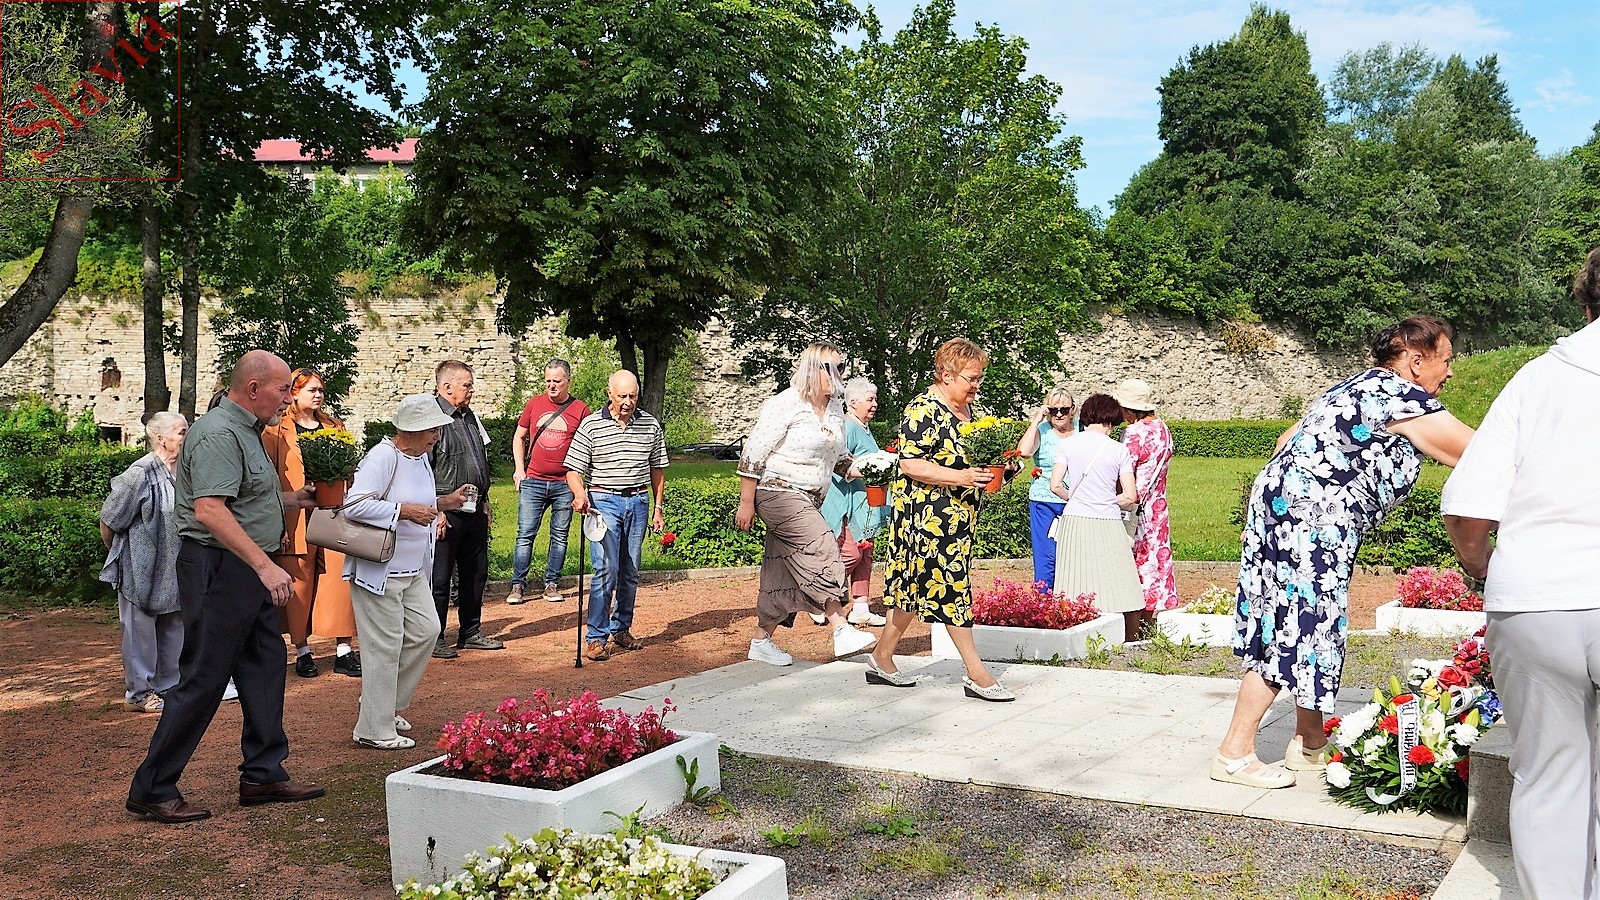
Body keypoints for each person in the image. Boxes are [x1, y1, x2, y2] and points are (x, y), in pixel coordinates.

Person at [1213, 316, 1474, 789]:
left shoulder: (1353, 387)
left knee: (1300, 621)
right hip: (1313, 522)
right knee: (1296, 625)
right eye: (1446, 360)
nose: (1450, 372)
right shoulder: (1402, 398)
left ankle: (1309, 741)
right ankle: (1234, 752)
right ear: (1416, 361)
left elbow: (1286, 440)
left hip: (1282, 510)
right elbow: (1479, 456)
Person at [1441, 247, 1600, 899]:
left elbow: (1467, 505)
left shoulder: (1539, 378)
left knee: (1551, 776)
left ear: (1586, 299)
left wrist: (1481, 562)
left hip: (1537, 600)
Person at [126, 350, 324, 824]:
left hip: (244, 567)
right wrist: (266, 567)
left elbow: (242, 498)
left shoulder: (247, 430)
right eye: (282, 389)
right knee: (204, 676)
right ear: (254, 389)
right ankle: (152, 787)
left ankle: (263, 774)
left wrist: (290, 499)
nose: (288, 398)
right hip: (223, 567)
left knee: (265, 664)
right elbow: (210, 511)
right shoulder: (219, 433)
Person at [867, 338, 1013, 701]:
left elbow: (971, 463)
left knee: (913, 588)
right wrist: (962, 477)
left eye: (979, 378)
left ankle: (881, 657)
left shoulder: (969, 411)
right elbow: (909, 463)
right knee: (950, 586)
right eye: (971, 378)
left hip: (958, 518)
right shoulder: (923, 409)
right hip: (926, 518)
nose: (977, 385)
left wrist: (1000, 470)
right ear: (947, 375)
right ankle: (977, 673)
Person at [735, 347, 879, 665]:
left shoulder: (835, 409)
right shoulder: (786, 403)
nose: (841, 374)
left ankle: (761, 641)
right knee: (822, 546)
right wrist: (746, 503)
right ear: (815, 369)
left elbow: (841, 461)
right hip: (777, 492)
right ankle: (841, 628)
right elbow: (753, 454)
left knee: (782, 572)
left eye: (842, 367)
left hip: (809, 498)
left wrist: (877, 467)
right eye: (835, 368)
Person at [342, 396, 470, 750]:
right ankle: (374, 728)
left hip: (413, 568)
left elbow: (418, 503)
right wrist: (404, 512)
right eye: (432, 430)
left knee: (427, 631)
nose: (437, 437)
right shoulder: (383, 456)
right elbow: (354, 505)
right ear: (411, 430)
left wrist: (444, 503)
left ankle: (382, 705)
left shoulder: (420, 457)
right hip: (379, 569)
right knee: (384, 646)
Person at [565, 370, 668, 661]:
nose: (627, 402)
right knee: (606, 568)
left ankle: (621, 628)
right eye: (622, 396)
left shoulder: (650, 424)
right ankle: (596, 637)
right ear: (609, 393)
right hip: (603, 501)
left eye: (632, 396)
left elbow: (658, 468)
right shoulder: (591, 424)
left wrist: (658, 508)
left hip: (638, 500)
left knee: (630, 570)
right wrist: (579, 493)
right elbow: (573, 470)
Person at [263, 368, 358, 678]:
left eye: (321, 390)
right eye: (311, 390)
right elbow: (269, 477)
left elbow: (348, 471)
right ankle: (302, 651)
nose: (318, 395)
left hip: (332, 513)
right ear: (294, 393)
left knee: (340, 581)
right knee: (299, 586)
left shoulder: (334, 426)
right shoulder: (276, 430)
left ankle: (344, 649)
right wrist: (278, 521)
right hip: (295, 516)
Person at [99, 411, 189, 713]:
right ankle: (139, 694)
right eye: (182, 431)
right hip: (141, 569)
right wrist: (126, 557)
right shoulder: (139, 474)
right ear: (161, 438)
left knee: (174, 626)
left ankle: (169, 686)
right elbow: (109, 521)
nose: (187, 436)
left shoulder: (185, 472)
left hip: (174, 565)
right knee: (140, 633)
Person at [1049, 393, 1144, 641]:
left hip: (1075, 518)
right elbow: (1130, 495)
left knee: (1073, 579)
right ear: (1110, 420)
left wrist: (1075, 498)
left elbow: (1055, 485)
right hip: (1108, 520)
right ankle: (1129, 638)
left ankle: (1070, 636)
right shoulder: (1119, 450)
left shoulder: (1067, 445)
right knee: (1122, 581)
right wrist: (1107, 501)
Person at [428, 360, 504, 658]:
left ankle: (470, 632)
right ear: (447, 387)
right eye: (467, 385)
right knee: (439, 578)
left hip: (474, 508)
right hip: (446, 512)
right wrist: (436, 509)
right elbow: (425, 468)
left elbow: (479, 459)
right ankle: (433, 637)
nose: (472, 390)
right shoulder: (433, 419)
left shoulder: (469, 416)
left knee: (475, 574)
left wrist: (485, 499)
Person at [508, 358, 591, 604]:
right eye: (548, 381)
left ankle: (552, 584)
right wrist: (519, 469)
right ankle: (517, 585)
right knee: (525, 534)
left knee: (560, 536)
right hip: (533, 480)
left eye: (557, 381)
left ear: (568, 382)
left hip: (565, 484)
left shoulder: (580, 409)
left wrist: (581, 484)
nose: (551, 386)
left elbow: (588, 446)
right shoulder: (534, 403)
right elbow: (519, 437)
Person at [818, 377, 888, 628]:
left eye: (875, 399)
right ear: (853, 402)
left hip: (866, 503)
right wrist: (874, 468)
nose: (874, 404)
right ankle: (820, 598)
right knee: (851, 552)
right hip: (848, 502)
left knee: (866, 552)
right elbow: (837, 464)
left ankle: (860, 608)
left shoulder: (864, 427)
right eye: (870, 399)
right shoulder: (848, 426)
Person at [1114, 378, 1178, 638]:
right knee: (1154, 566)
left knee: (1134, 566)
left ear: (1129, 409)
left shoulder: (1133, 434)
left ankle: (1130, 633)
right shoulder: (1163, 428)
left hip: (1133, 507)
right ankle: (1148, 630)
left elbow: (1122, 472)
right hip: (1157, 509)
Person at [1016, 387, 1077, 588]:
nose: (1058, 414)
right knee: (1047, 554)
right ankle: (1044, 598)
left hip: (1075, 500)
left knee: (1074, 553)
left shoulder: (1082, 430)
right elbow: (1024, 452)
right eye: (1053, 410)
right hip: (1045, 500)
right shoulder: (1042, 430)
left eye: (1064, 410)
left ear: (1072, 410)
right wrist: (1036, 420)